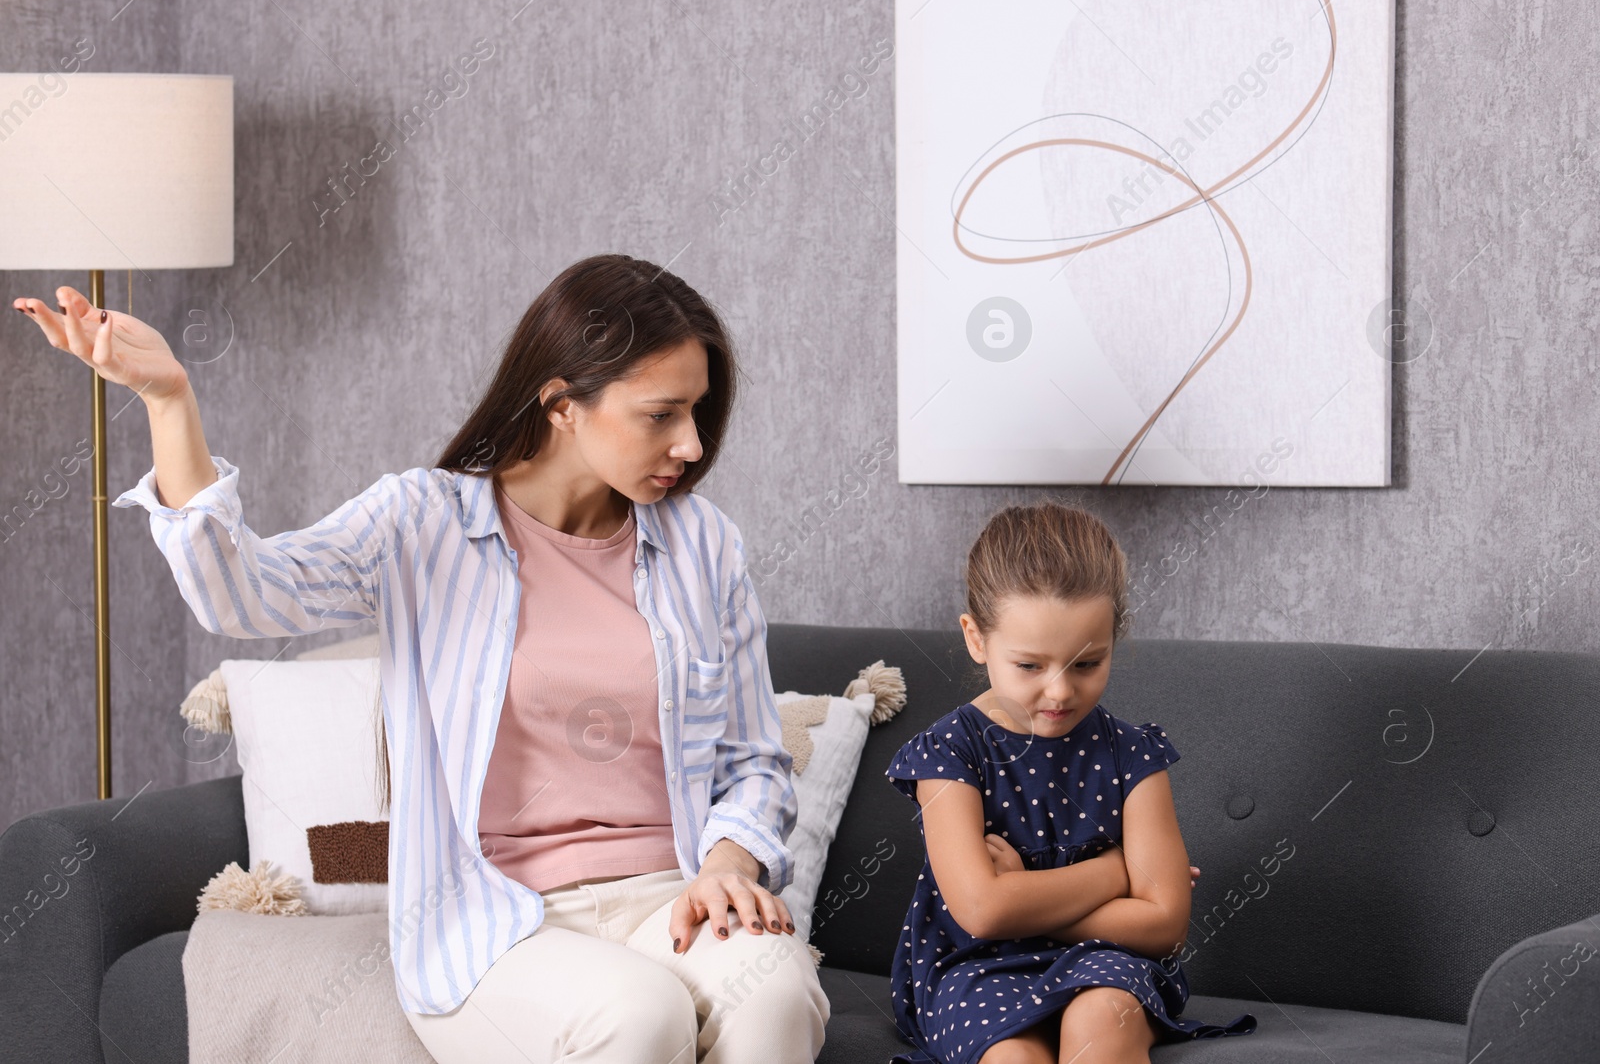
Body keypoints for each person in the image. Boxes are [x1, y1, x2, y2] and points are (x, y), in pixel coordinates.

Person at [13, 253, 830, 1063]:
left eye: (697, 410)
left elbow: (754, 758)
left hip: (671, 892)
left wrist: (727, 863)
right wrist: (169, 400)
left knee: (775, 992)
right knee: (640, 1013)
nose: (690, 443)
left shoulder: (704, 544)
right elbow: (243, 595)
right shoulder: (423, 523)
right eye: (662, 414)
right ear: (562, 406)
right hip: (501, 916)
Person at [882, 501, 1256, 1064]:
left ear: (1113, 640)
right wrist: (1114, 872)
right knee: (1012, 1055)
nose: (1059, 693)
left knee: (1102, 1016)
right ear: (977, 639)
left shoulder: (1133, 755)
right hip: (977, 966)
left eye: (1086, 664)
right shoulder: (950, 753)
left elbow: (1164, 926)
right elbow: (983, 912)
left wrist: (1024, 891)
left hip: (1108, 961)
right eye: (1029, 666)